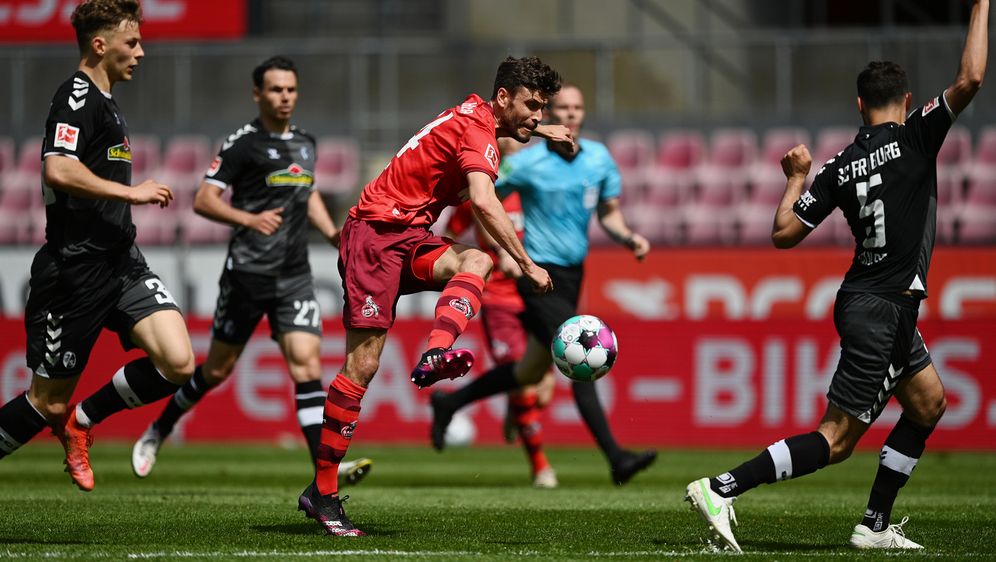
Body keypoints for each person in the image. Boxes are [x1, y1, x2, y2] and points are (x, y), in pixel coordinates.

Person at [684, 0, 988, 552]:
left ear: (858, 104)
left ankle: (873, 526)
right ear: (908, 101)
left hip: (875, 302)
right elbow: (971, 77)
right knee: (838, 439)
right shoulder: (918, 135)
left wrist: (795, 176)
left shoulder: (838, 166)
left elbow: (783, 234)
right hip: (882, 306)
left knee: (928, 403)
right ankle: (721, 486)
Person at [296, 56, 574, 536]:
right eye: (532, 105)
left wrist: (540, 130)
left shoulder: (478, 115)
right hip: (374, 235)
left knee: (476, 261)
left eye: (543, 107)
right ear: (504, 97)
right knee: (361, 367)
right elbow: (484, 201)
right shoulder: (476, 128)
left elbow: (500, 133)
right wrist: (528, 265)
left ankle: (436, 352)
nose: (537, 113)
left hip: (408, 236)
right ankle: (321, 492)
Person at [129, 56, 371, 488]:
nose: (285, 98)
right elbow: (204, 199)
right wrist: (248, 220)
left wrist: (333, 233)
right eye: (276, 90)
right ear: (257, 93)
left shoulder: (305, 142)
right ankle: (159, 430)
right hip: (247, 274)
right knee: (217, 371)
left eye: (291, 90)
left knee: (306, 365)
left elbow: (308, 191)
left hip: (294, 275)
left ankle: (326, 469)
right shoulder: (243, 143)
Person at [0, 0, 195, 492]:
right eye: (132, 42)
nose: (141, 52)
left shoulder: (106, 102)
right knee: (46, 402)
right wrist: (131, 192)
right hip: (74, 271)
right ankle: (65, 418)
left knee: (178, 362)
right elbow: (57, 168)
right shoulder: (76, 96)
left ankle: (83, 422)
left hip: (122, 261)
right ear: (100, 44)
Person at [429, 83, 657, 487]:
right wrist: (505, 252)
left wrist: (629, 237)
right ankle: (616, 458)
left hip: (573, 275)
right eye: (562, 107)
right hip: (539, 275)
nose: (569, 114)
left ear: (583, 113)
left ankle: (451, 402)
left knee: (528, 372)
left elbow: (609, 214)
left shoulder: (600, 160)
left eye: (576, 107)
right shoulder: (528, 163)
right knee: (585, 350)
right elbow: (480, 200)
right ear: (550, 115)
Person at [442, 161, 558, 489]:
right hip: (499, 298)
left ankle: (514, 405)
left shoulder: (532, 191)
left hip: (535, 295)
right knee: (522, 382)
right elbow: (451, 232)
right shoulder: (480, 196)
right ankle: (541, 468)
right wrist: (486, 257)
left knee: (542, 391)